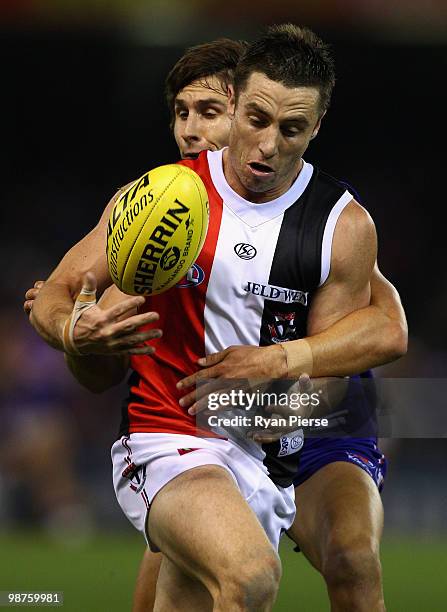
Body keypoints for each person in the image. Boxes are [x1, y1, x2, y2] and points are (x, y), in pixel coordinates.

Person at [28, 25, 407, 611]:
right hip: (169, 436)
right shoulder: (165, 202)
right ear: (241, 107)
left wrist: (270, 399)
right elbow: (58, 293)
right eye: (256, 120)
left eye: (291, 129)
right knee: (251, 576)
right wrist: (78, 330)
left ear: (316, 127)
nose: (269, 144)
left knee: (298, 573)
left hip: (267, 453)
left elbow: (343, 374)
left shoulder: (340, 223)